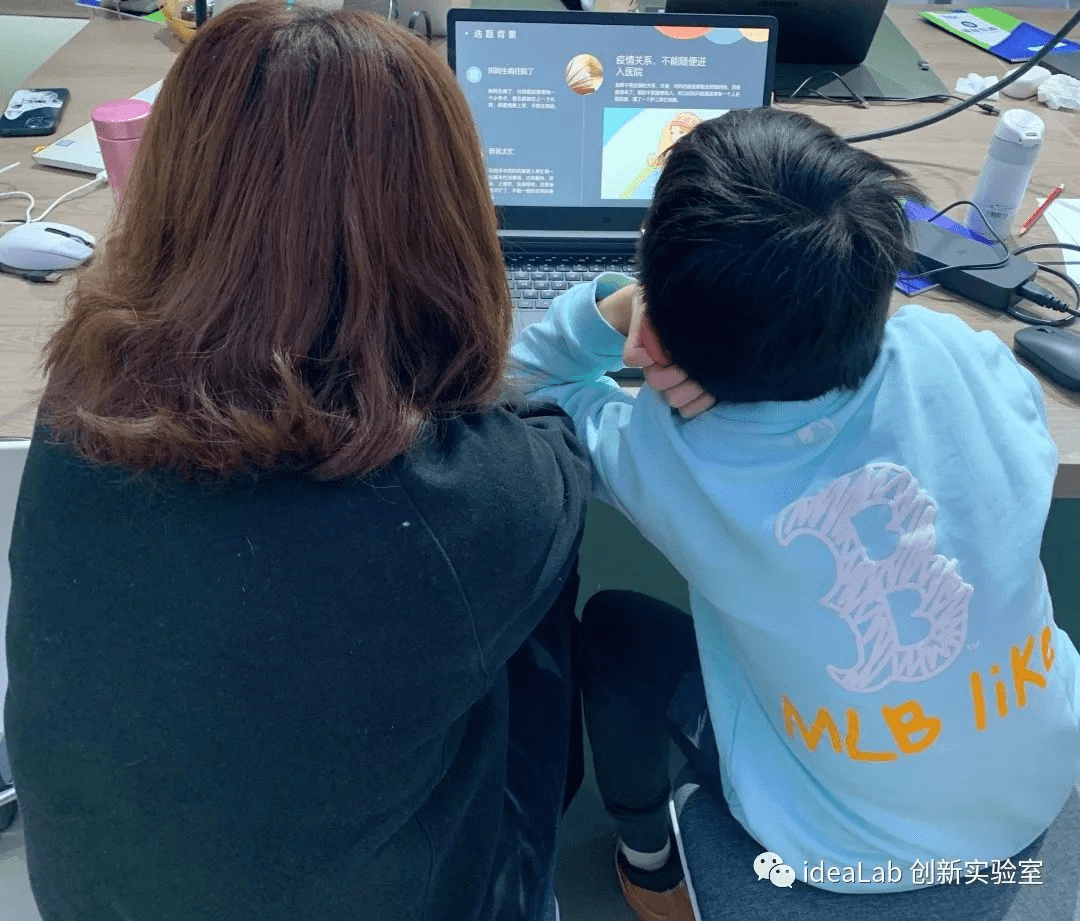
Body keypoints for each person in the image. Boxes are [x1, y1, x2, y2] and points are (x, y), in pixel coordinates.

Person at [4, 5, 591, 921]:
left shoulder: (79, 397)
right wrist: (594, 322)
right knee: (536, 614)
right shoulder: (470, 493)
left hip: (90, 899)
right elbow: (556, 451)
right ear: (446, 222)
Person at [509, 106, 1080, 921]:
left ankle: (650, 865)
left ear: (658, 335)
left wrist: (624, 308)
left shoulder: (672, 458)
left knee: (614, 631)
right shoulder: (963, 356)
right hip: (1036, 787)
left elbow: (523, 385)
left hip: (832, 856)